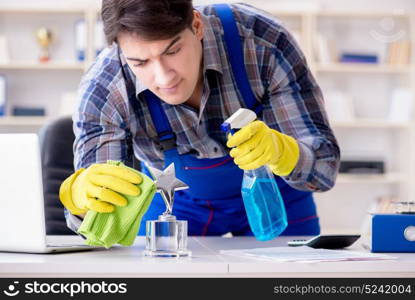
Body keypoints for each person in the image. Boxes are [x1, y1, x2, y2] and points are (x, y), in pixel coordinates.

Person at [59, 0, 340, 237]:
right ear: (121, 50)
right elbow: (101, 226)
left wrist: (283, 152)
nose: (163, 77)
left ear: (196, 25)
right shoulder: (106, 87)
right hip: (174, 202)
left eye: (172, 51)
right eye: (140, 63)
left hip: (273, 193)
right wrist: (80, 202)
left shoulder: (263, 42)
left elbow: (324, 171)